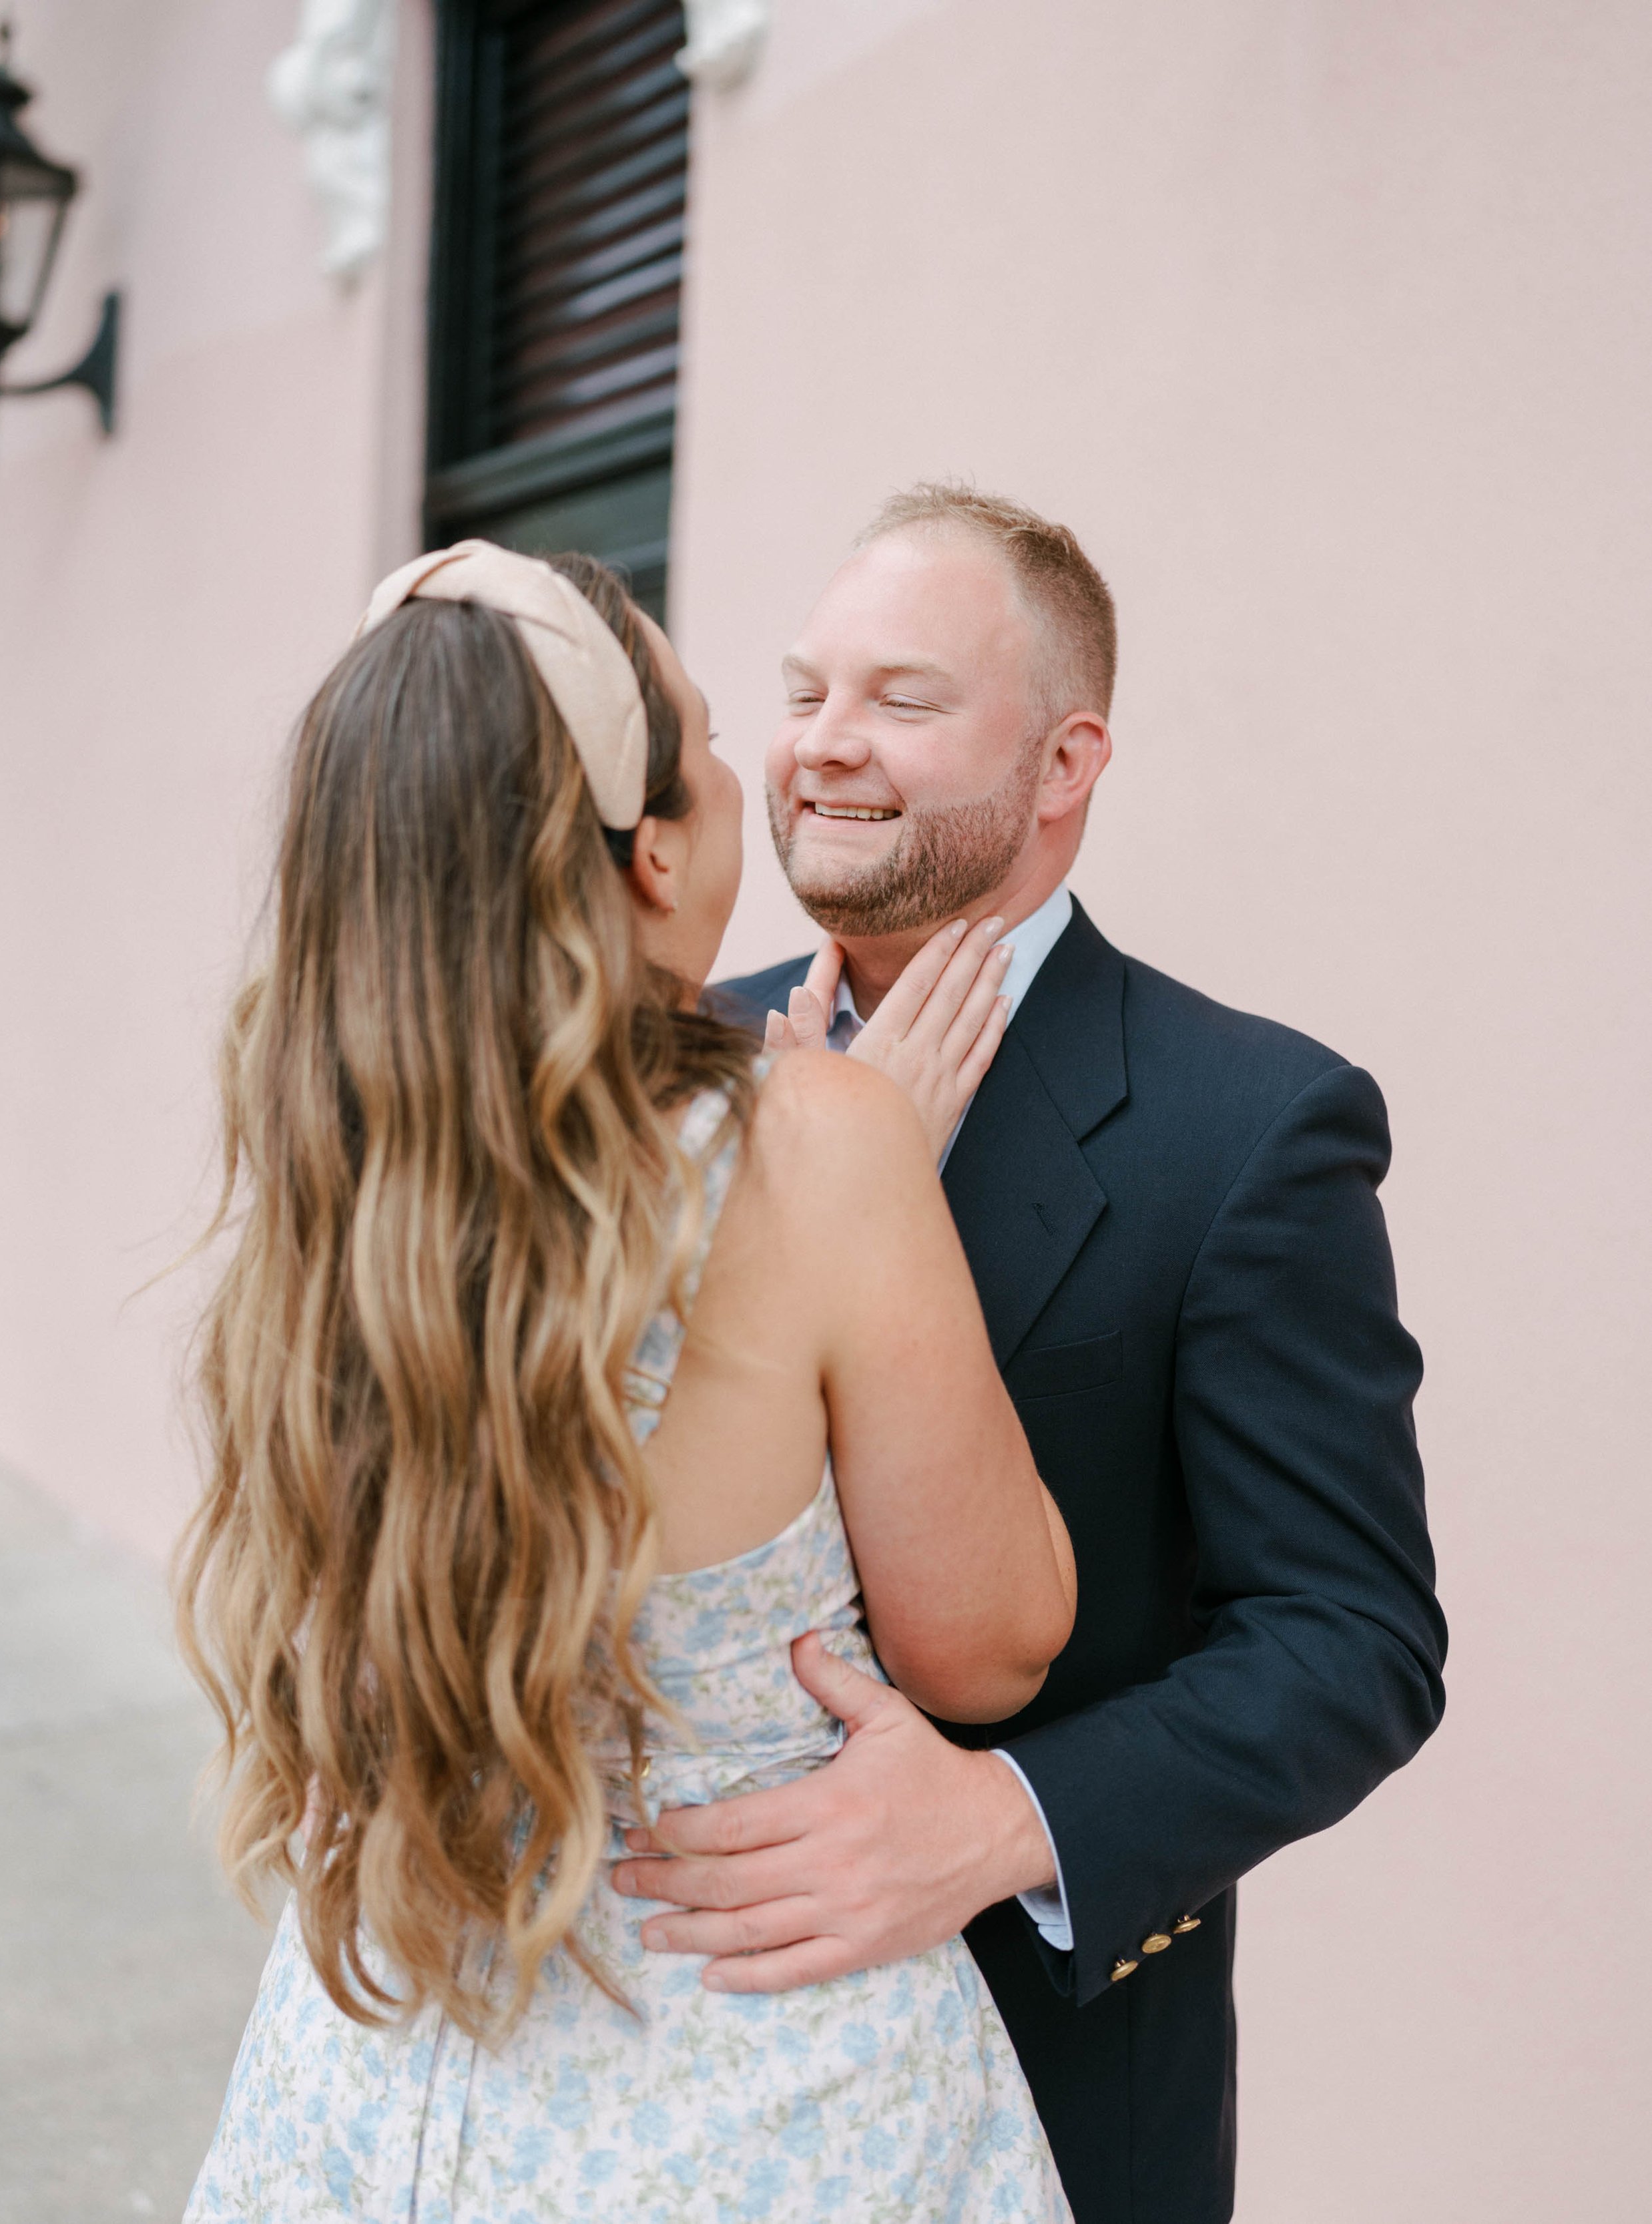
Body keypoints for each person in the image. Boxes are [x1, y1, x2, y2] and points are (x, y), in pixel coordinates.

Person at [178, 539, 1080, 2221]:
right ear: (654, 852)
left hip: (377, 2086)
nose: (784, 757)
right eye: (723, 726)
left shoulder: (333, 1178)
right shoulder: (816, 1147)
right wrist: (865, 1175)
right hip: (749, 2097)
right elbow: (994, 1640)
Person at [617, 483, 1450, 2224]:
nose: (822, 750)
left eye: (902, 701)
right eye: (801, 691)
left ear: (1065, 761)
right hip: (630, 2060)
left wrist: (1010, 1818)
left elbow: (1349, 1636)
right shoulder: (660, 1058)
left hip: (1035, 2081)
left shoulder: (1246, 1124)